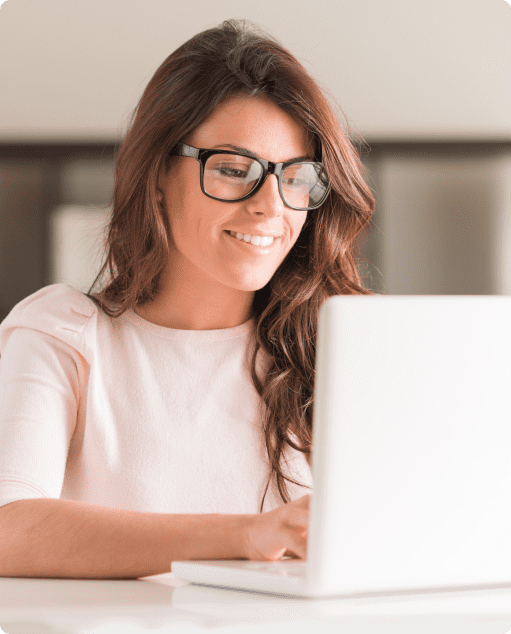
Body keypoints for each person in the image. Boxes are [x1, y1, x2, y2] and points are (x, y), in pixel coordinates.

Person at [0, 19, 374, 579]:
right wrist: (248, 535)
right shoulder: (63, 330)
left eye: (295, 177)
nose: (270, 205)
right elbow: (10, 529)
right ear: (155, 176)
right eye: (232, 169)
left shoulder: (336, 348)